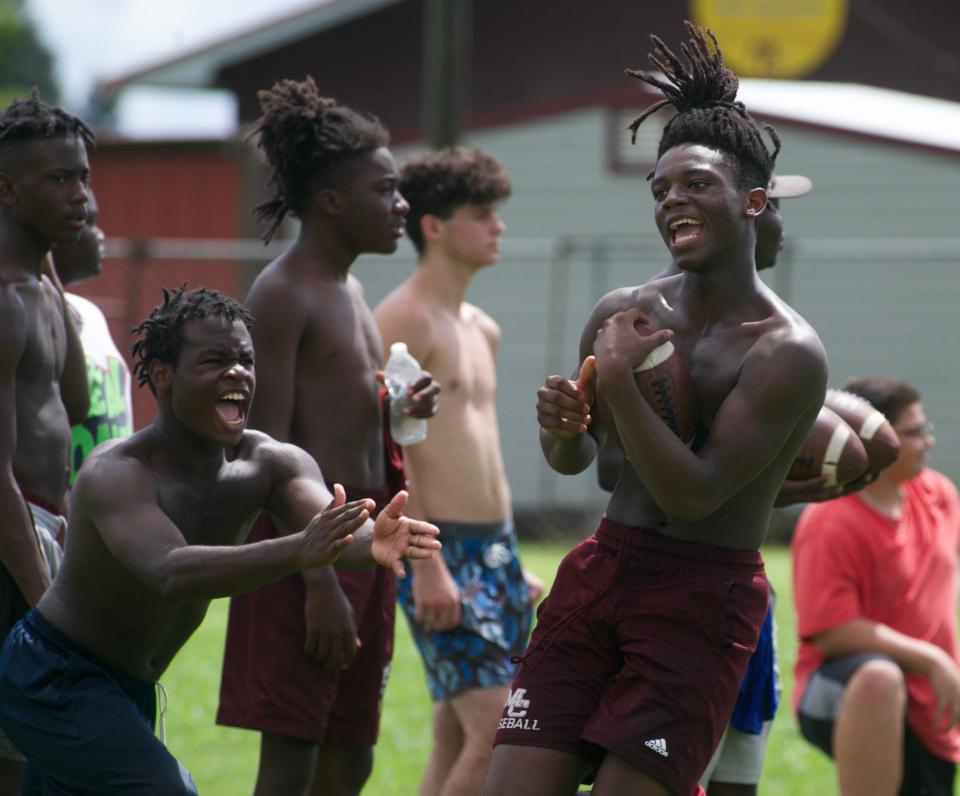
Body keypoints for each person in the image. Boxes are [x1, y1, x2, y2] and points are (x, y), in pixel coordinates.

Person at [485, 22, 828, 796]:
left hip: (702, 597)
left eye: (697, 183)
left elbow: (692, 495)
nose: (673, 198)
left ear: (753, 201)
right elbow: (589, 466)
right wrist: (560, 427)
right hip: (605, 565)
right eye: (661, 189)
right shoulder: (624, 309)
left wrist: (615, 379)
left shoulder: (787, 351)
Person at [0, 284, 441, 795]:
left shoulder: (272, 463)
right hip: (52, 675)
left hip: (129, 689)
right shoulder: (117, 473)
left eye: (246, 361)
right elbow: (171, 571)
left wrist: (372, 539)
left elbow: (329, 522)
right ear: (163, 376)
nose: (237, 373)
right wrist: (298, 550)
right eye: (215, 360)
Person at [216, 77, 441, 796]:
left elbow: (344, 409)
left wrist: (398, 405)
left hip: (364, 544)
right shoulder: (283, 293)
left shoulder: (350, 289)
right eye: (385, 191)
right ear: (331, 201)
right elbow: (266, 450)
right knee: (293, 756)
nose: (401, 206)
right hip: (305, 551)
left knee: (353, 756)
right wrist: (317, 582)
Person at [596, 173, 812, 796]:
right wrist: (592, 409)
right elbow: (609, 466)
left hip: (724, 586)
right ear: (746, 208)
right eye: (772, 206)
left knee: (729, 773)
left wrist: (775, 484)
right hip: (641, 574)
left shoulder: (783, 346)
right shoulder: (640, 321)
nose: (778, 222)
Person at [375, 146, 543, 795]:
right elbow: (394, 451)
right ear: (434, 226)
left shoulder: (483, 328)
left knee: (454, 734)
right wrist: (427, 562)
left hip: (494, 550)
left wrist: (507, 559)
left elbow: (479, 447)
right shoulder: (401, 320)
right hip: (439, 548)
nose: (497, 226)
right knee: (498, 729)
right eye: (482, 214)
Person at [792, 375, 960, 796]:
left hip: (924, 695)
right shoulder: (832, 520)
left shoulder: (939, 494)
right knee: (880, 679)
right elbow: (833, 631)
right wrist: (933, 659)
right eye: (915, 432)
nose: (928, 441)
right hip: (841, 686)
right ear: (877, 440)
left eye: (927, 429)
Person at [0, 90, 92, 788]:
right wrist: (45, 602)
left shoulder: (39, 288)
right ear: (8, 189)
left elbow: (79, 397)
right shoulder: (4, 299)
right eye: (60, 180)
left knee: (40, 758)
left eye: (84, 176)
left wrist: (50, 259)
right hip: (12, 542)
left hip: (46, 527)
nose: (81, 196)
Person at [52, 189, 135, 484]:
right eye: (89, 222)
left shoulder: (91, 314)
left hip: (108, 509)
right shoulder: (24, 314)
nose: (100, 235)